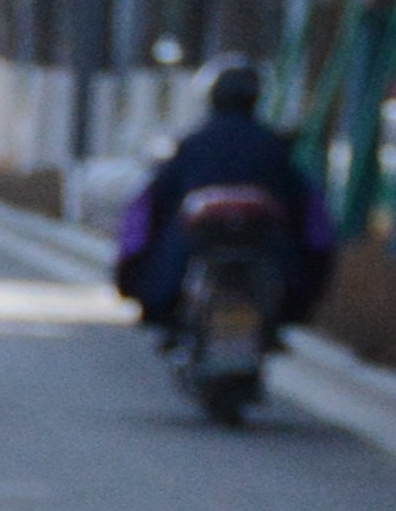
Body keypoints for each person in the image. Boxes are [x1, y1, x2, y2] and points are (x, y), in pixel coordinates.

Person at [109, 58, 335, 331]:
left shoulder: (194, 143)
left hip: (195, 247)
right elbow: (303, 205)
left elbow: (157, 199)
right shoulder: (272, 144)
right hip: (264, 246)